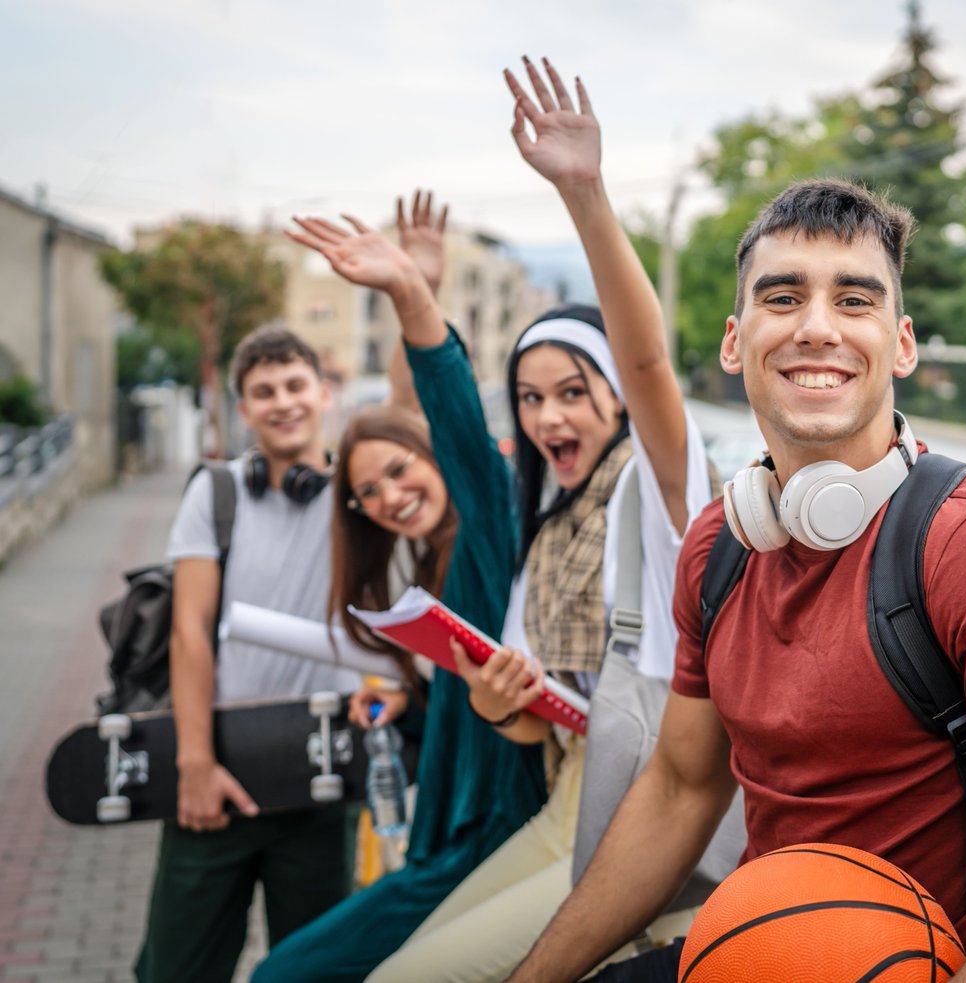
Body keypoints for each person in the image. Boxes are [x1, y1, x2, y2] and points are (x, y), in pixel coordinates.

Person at [507, 179, 966, 983]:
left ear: (902, 344)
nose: (817, 327)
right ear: (732, 340)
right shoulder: (717, 546)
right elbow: (682, 789)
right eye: (782, 296)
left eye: (855, 300)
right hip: (754, 948)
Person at [362, 57, 722, 983]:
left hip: (644, 817)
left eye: (573, 391)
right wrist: (496, 700)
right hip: (566, 797)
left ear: (614, 395)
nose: (549, 415)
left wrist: (585, 195)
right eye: (529, 397)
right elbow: (534, 721)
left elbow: (651, 372)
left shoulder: (659, 488)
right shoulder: (547, 522)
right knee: (402, 964)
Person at [249, 198, 547, 983]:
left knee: (283, 973)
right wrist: (404, 700)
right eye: (367, 491)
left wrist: (413, 295)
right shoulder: (429, 575)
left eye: (399, 469)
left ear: (435, 458)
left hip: (491, 837)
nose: (387, 494)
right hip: (438, 835)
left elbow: (441, 414)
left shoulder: (493, 536)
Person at [135, 325, 363, 983]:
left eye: (295, 385)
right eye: (264, 391)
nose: (283, 401)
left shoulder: (361, 490)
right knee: (176, 967)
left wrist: (414, 289)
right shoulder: (216, 492)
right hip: (220, 772)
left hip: (323, 774)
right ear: (243, 410)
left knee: (313, 969)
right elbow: (190, 629)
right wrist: (195, 762)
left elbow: (410, 414)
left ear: (323, 393)